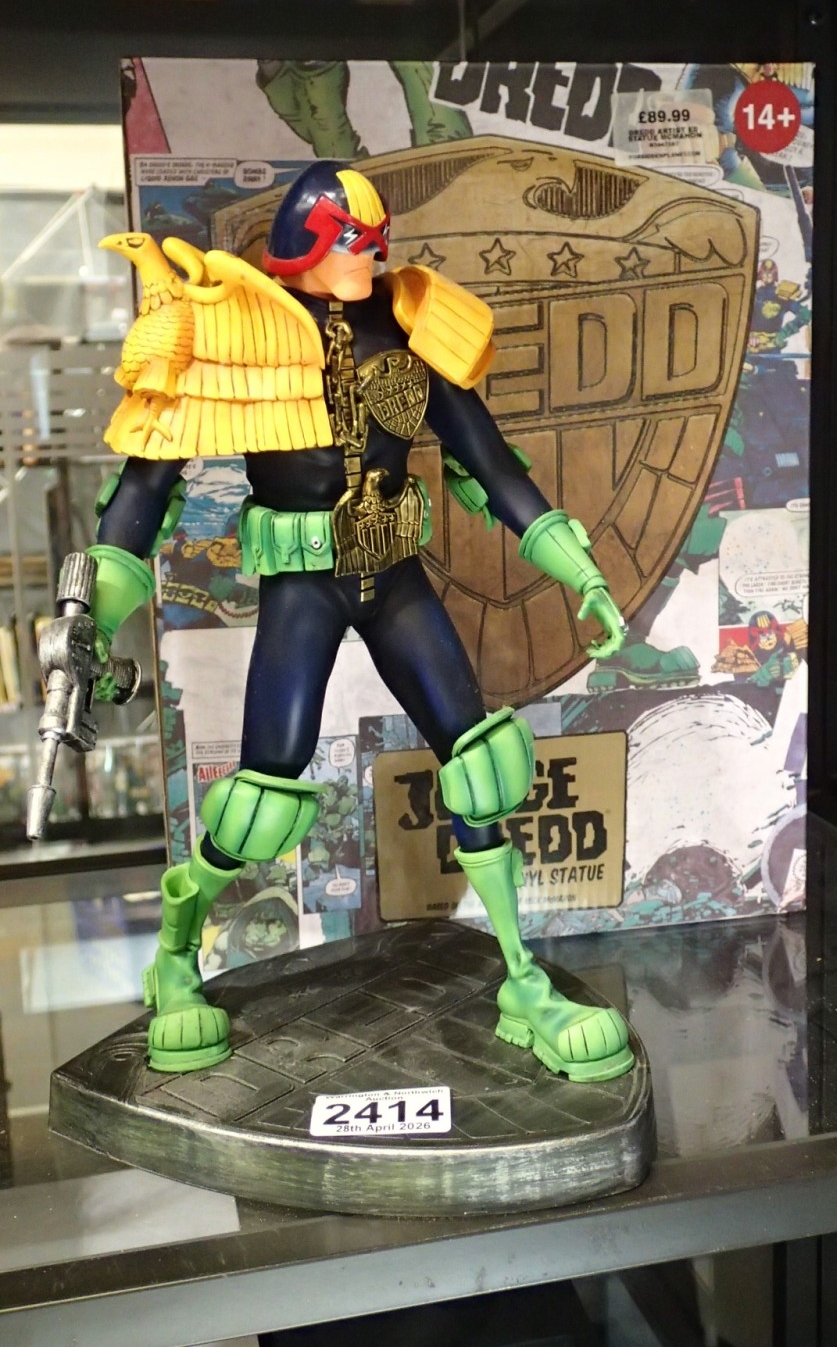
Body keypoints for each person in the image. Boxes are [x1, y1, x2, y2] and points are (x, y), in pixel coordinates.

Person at [89, 160, 633, 1083]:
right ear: (304, 242)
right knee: (263, 795)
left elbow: (488, 458)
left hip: (394, 573)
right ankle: (177, 957)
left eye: (378, 240)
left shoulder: (410, 322)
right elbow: (146, 484)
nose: (371, 255)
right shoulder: (228, 329)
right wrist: (91, 617)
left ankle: (522, 982)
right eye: (352, 238)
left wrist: (575, 565)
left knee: (482, 763)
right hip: (304, 585)